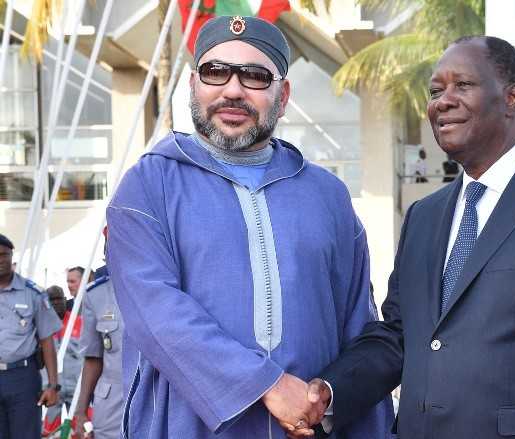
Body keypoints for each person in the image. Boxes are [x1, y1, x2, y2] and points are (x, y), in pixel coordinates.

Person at [298, 35, 515, 438]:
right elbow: (400, 336)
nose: (442, 101)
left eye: (463, 85)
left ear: (512, 97)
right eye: (436, 91)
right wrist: (329, 391)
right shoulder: (423, 216)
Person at [105, 15, 392, 439]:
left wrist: (328, 396)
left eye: (255, 77)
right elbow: (157, 312)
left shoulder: (327, 195)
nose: (233, 90)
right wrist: (267, 384)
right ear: (192, 84)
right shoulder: (150, 186)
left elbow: (357, 325)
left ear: (284, 93)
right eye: (215, 72)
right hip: (189, 427)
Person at [0, 233, 62, 438]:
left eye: (4, 255)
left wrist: (53, 385)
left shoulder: (33, 293)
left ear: (12, 257)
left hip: (22, 377)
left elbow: (47, 341)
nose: (0, 260)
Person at [73, 270, 124, 439]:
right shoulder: (96, 294)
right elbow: (93, 358)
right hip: (112, 404)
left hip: (154, 396)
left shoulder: (161, 285)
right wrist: (81, 412)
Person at [41, 285, 83, 436]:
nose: (56, 302)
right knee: (49, 432)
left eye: (59, 298)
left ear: (65, 300)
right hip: (51, 389)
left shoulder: (78, 321)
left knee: (81, 430)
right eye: (52, 300)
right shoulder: (40, 325)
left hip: (77, 388)